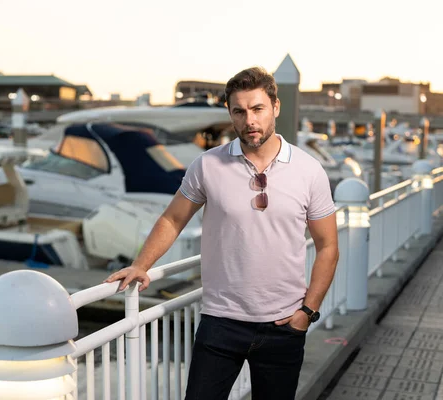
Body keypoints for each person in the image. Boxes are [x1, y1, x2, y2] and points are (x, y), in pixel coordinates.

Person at [104, 67, 339, 399]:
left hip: (284, 324)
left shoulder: (308, 169)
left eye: (257, 109)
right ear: (230, 113)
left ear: (276, 107)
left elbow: (328, 245)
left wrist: (307, 312)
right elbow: (173, 219)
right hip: (220, 321)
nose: (249, 120)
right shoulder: (208, 165)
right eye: (239, 111)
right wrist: (141, 264)